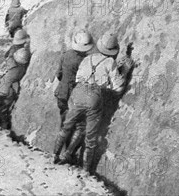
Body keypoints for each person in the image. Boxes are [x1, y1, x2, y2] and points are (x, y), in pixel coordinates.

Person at [54, 32, 128, 174]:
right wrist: (123, 72)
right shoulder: (110, 62)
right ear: (113, 51)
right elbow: (118, 87)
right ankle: (86, 170)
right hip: (94, 96)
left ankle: (56, 155)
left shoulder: (88, 58)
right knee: (91, 136)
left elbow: (78, 77)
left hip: (78, 93)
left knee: (67, 127)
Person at [0, 30, 31, 130]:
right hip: (9, 88)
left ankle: (0, 124)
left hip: (3, 87)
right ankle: (2, 125)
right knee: (3, 109)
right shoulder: (21, 67)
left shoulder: (13, 53)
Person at [54, 31, 94, 125]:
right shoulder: (85, 61)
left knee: (63, 114)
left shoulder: (66, 54)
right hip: (74, 95)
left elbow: (58, 74)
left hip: (61, 91)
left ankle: (63, 132)